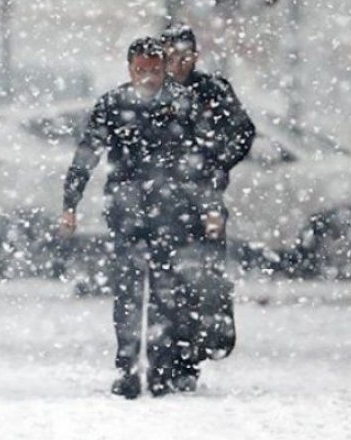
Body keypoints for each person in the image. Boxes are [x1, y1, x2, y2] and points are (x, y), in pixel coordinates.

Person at [60, 37, 203, 399]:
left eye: (155, 70)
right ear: (130, 69)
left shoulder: (182, 104)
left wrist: (203, 205)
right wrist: (70, 201)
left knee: (166, 293)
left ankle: (160, 366)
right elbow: (87, 152)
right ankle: (128, 367)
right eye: (142, 70)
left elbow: (201, 161)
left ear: (165, 69)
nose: (149, 78)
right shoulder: (113, 104)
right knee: (128, 292)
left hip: (171, 212)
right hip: (128, 211)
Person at [160, 25, 255, 365]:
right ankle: (172, 347)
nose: (177, 64)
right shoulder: (153, 93)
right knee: (165, 274)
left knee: (206, 273)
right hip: (162, 200)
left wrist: (217, 163)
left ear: (195, 57)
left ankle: (203, 343)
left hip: (205, 198)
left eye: (183, 56)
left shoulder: (213, 90)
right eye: (171, 56)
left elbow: (243, 132)